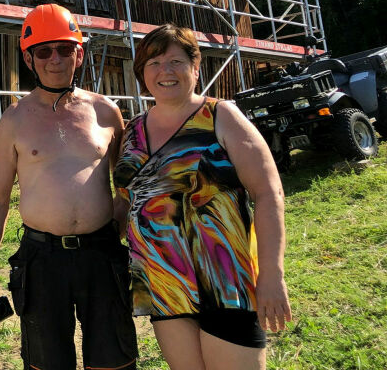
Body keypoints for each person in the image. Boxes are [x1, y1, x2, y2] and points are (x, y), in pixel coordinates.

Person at [0, 3, 138, 370]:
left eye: (64, 48)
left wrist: (119, 234)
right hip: (42, 260)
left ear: (80, 53)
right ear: (29, 59)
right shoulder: (14, 120)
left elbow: (126, 184)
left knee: (114, 362)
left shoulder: (106, 111)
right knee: (47, 364)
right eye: (43, 51)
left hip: (101, 255)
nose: (54, 59)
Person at [113, 23, 292, 370]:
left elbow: (268, 192)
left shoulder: (221, 116)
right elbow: (125, 202)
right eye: (154, 63)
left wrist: (272, 273)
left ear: (196, 68)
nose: (165, 71)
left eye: (176, 61)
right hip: (165, 286)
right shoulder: (131, 130)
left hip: (226, 282)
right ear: (141, 73)